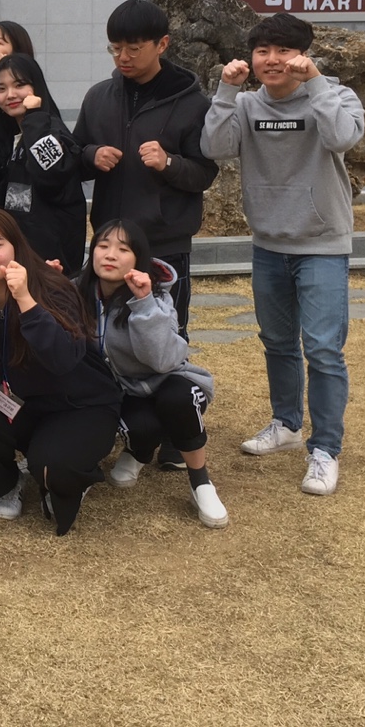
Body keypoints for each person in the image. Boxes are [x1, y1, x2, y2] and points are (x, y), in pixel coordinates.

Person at [201, 13, 365, 496]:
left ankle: (325, 448)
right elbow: (214, 147)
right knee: (277, 341)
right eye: (262, 51)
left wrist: (315, 83)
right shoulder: (247, 104)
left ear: (303, 55)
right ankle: (287, 424)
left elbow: (342, 138)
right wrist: (225, 91)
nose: (272, 60)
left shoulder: (336, 96)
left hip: (322, 244)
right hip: (268, 243)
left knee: (323, 349)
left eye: (283, 51)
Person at [0, 208, 122, 535]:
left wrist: (26, 301)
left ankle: (69, 472)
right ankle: (7, 481)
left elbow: (63, 360)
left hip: (80, 406)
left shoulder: (54, 288)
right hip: (24, 406)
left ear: (15, 245)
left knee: (53, 468)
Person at [72, 0, 218, 338]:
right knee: (100, 333)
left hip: (165, 245)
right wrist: (91, 155)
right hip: (109, 243)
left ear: (162, 44)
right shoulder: (98, 97)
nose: (123, 57)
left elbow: (204, 173)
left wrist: (169, 163)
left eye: (134, 49)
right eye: (115, 48)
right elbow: (74, 156)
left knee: (165, 335)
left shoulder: (193, 104)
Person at [79, 220, 228, 529]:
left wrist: (143, 304)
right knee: (140, 427)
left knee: (178, 399)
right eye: (103, 246)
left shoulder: (157, 297)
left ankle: (200, 482)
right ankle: (140, 450)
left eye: (123, 249)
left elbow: (162, 361)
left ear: (139, 259)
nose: (110, 255)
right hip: (124, 390)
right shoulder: (77, 292)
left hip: (170, 380)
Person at [0, 53, 87, 275]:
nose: (10, 95)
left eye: (20, 85)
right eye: (1, 88)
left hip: (51, 265)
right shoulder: (9, 138)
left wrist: (34, 116)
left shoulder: (52, 132)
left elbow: (51, 176)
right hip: (16, 262)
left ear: (37, 88)